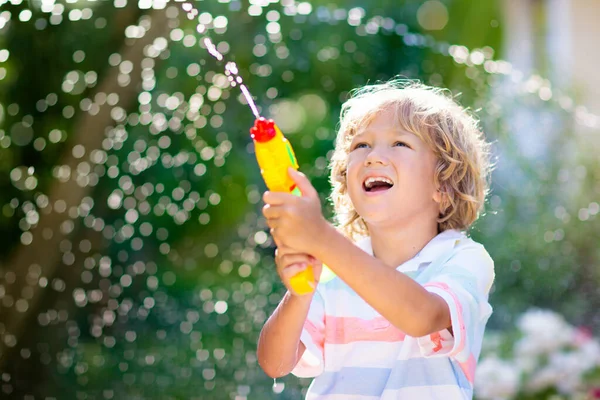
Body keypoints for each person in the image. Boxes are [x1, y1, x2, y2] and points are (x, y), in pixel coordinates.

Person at [258, 80, 495, 400]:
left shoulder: (463, 259)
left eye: (399, 143)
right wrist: (299, 293)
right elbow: (276, 363)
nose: (373, 157)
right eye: (361, 146)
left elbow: (421, 316)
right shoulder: (334, 269)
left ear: (443, 185)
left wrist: (323, 238)